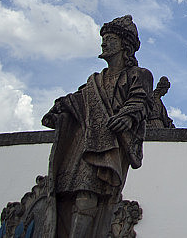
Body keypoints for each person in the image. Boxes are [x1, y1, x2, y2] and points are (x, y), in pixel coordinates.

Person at [42, 15, 153, 238]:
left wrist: (128, 116)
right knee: (67, 196)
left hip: (110, 146)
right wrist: (61, 108)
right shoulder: (93, 81)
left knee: (87, 197)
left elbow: (141, 100)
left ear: (125, 45)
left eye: (110, 38)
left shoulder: (138, 75)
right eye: (104, 38)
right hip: (83, 146)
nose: (104, 43)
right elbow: (76, 103)